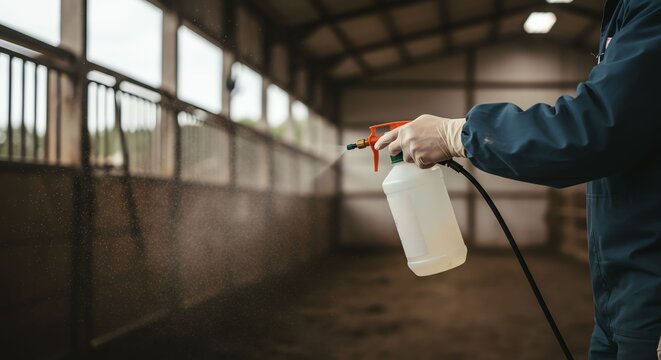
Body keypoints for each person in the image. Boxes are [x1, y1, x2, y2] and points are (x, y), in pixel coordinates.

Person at [375, 0, 661, 359]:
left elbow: (596, 128)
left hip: (650, 299)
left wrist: (458, 134)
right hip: (620, 295)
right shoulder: (625, 12)